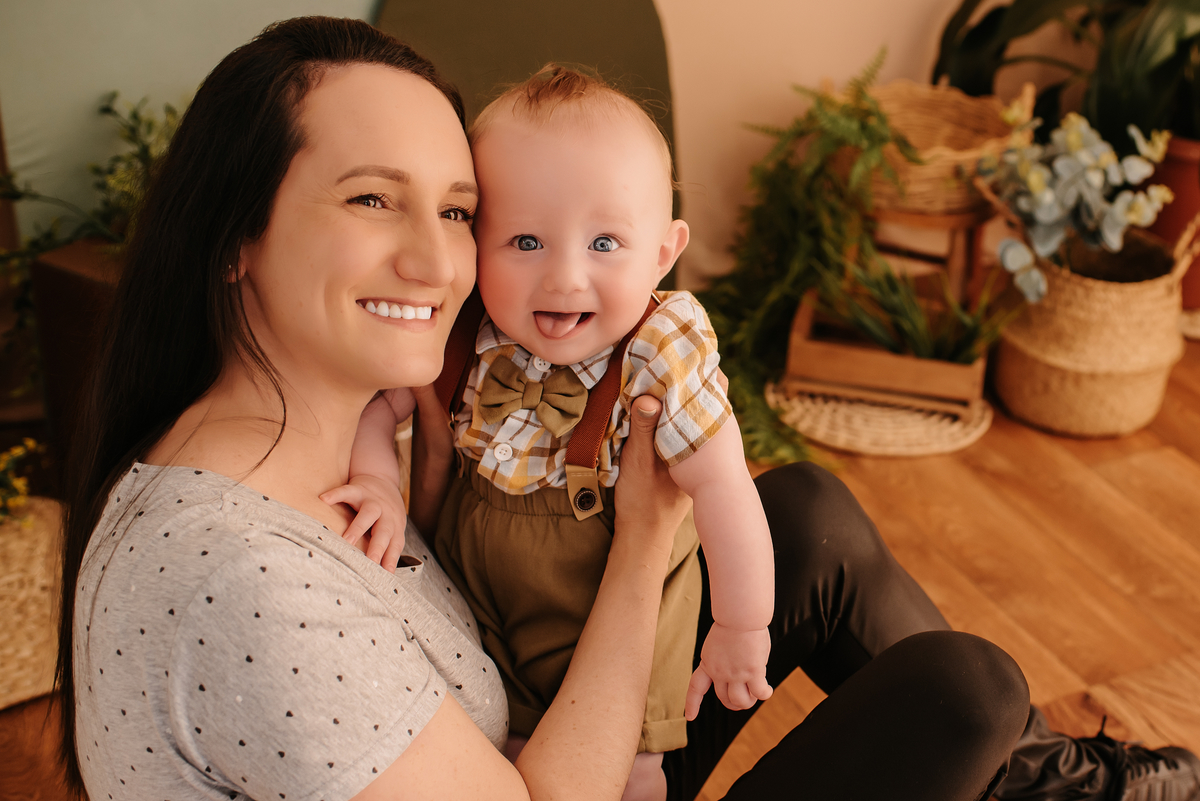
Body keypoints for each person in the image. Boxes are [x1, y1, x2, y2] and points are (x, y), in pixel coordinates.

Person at [53, 16, 1196, 801]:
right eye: (370, 200)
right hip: (560, 775)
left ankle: (1067, 788)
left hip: (538, 717)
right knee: (966, 690)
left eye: (456, 211)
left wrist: (429, 471)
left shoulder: (309, 438)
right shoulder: (242, 586)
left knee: (803, 516)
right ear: (235, 238)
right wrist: (645, 543)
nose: (438, 260)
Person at [332, 65, 774, 801]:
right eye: (526, 241)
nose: (565, 277)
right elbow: (377, 410)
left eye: (605, 243)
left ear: (663, 253)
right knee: (503, 742)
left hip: (615, 610)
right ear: (478, 244)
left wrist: (741, 625)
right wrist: (377, 480)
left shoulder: (660, 350)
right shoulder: (469, 328)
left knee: (630, 768)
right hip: (486, 603)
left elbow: (726, 488)